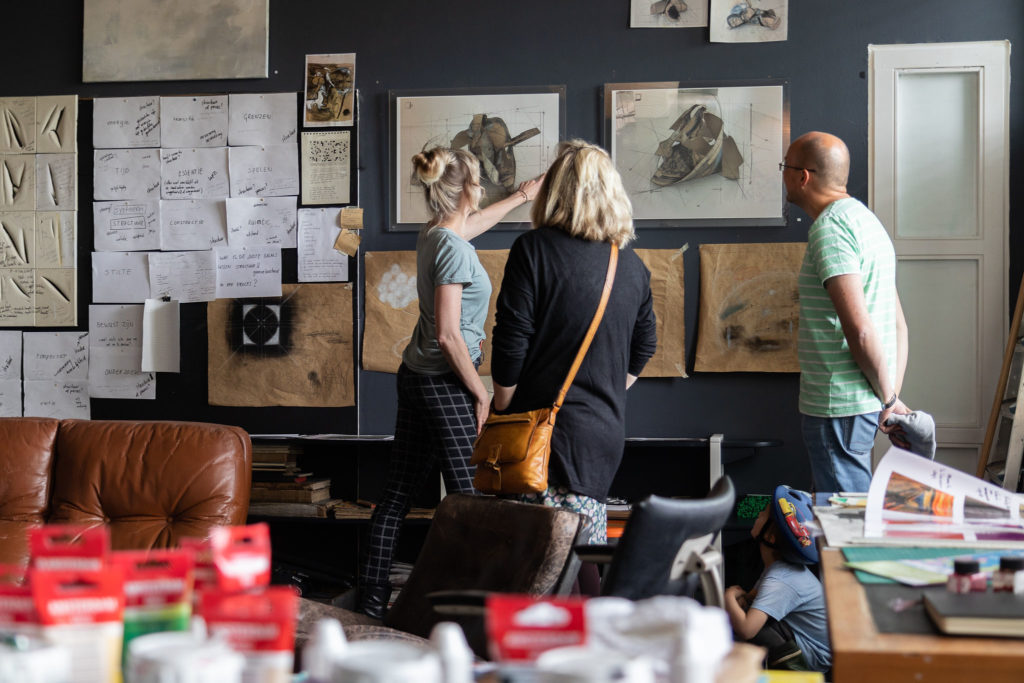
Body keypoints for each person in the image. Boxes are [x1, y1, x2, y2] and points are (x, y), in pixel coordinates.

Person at [355, 147, 543, 618]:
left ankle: (371, 603)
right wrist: (480, 393)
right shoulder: (453, 248)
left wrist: (522, 196)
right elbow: (448, 334)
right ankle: (469, 613)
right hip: (444, 383)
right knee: (473, 503)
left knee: (396, 496)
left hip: (417, 378)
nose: (482, 188)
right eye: (478, 181)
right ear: (466, 190)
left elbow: (472, 225)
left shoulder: (436, 233)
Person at [490, 139, 657, 561]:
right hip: (602, 433)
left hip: (544, 436)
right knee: (581, 555)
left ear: (554, 192)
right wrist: (604, 390)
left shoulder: (533, 250)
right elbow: (645, 345)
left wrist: (504, 407)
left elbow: (511, 340)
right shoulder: (631, 266)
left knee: (538, 565)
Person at [785, 131, 911, 493]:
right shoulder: (866, 221)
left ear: (802, 176)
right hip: (859, 404)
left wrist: (888, 399)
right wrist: (889, 395)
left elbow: (861, 330)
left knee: (847, 519)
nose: (783, 177)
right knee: (845, 511)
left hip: (837, 406)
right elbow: (899, 326)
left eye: (784, 167)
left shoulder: (830, 229)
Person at [724, 486, 831, 673]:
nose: (758, 514)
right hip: (805, 641)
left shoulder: (780, 579)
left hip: (815, 656)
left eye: (763, 515)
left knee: (757, 628)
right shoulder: (777, 568)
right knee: (748, 613)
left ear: (770, 536)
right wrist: (743, 600)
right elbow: (753, 598)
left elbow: (747, 629)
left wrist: (728, 597)